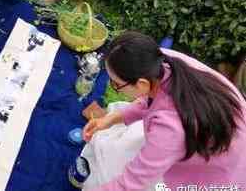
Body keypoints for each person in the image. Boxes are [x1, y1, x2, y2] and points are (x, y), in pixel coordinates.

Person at [82, 32, 246, 190]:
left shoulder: (169, 129)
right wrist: (112, 119)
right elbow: (151, 100)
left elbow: (129, 185)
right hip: (230, 125)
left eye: (116, 84)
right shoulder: (163, 60)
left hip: (223, 172)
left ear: (142, 84)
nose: (114, 87)